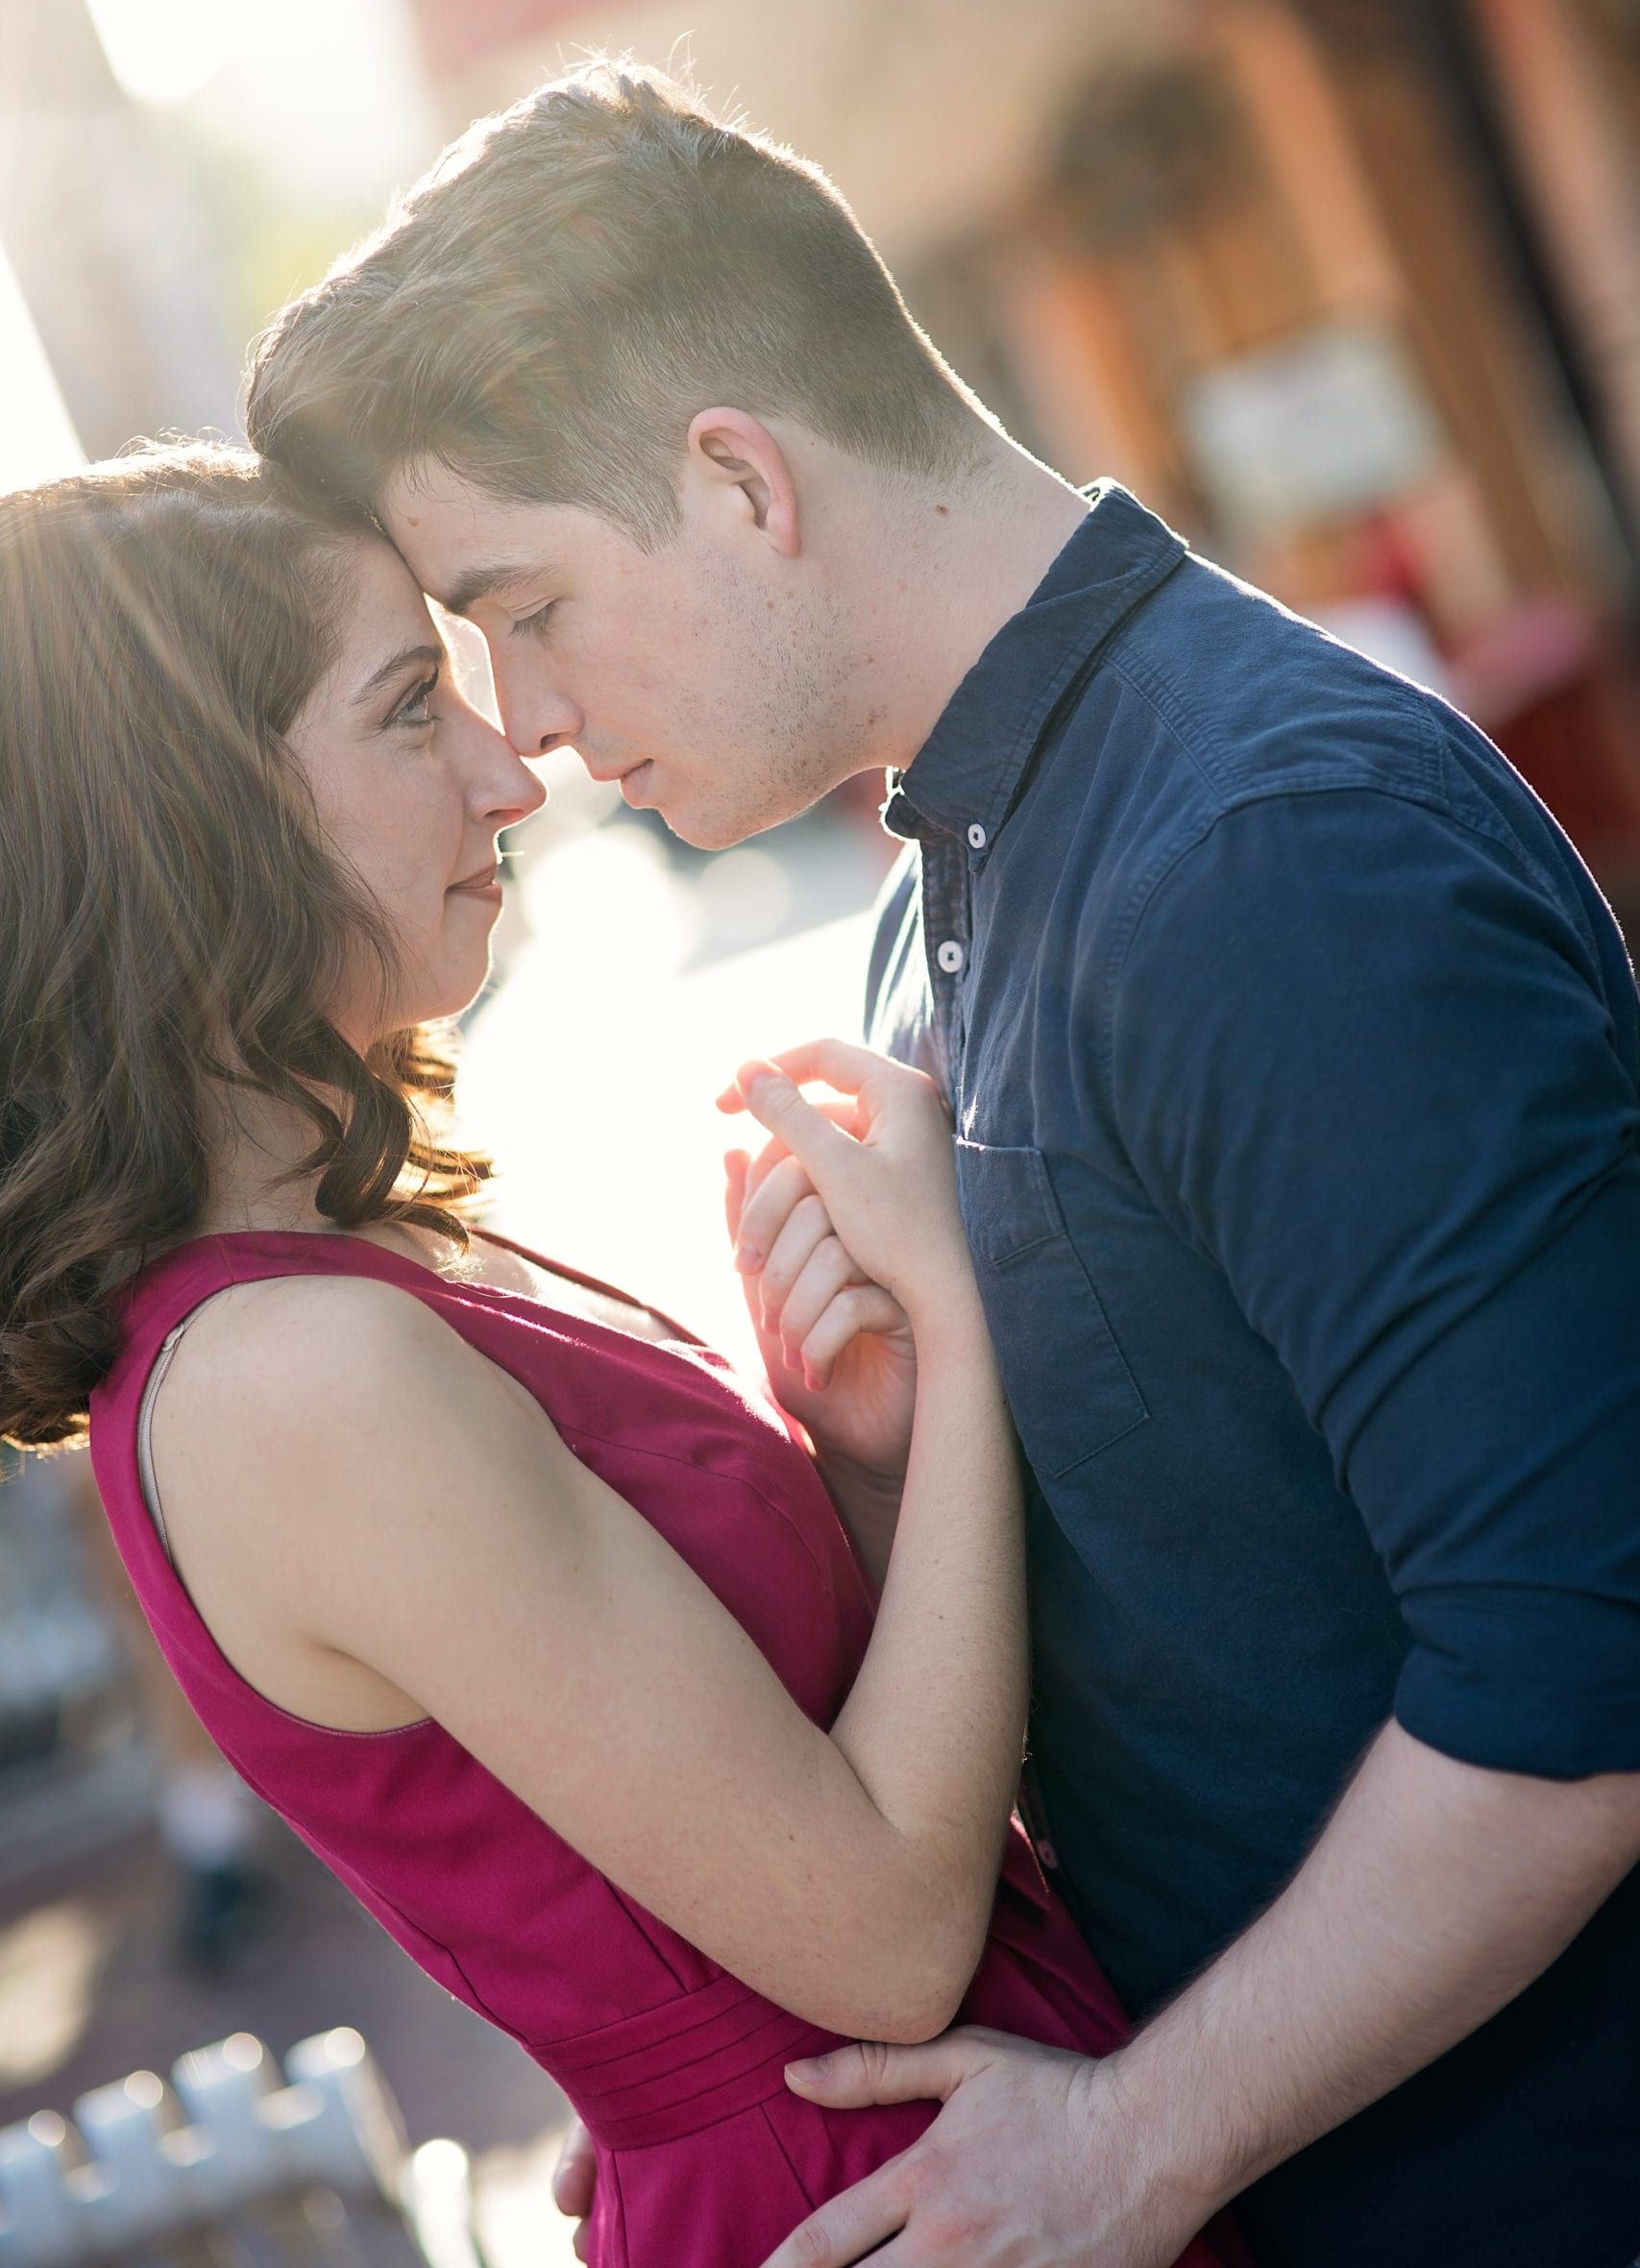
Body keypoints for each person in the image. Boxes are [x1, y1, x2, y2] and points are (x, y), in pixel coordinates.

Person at [245, 61, 1640, 2268]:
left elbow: (1578, 1687)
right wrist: (888, 1454)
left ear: (735, 481)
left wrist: (1128, 2143)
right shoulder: (952, 875)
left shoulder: (1264, 853)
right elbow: (1201, 1601)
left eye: (520, 603)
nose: (521, 717)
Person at [0, 448, 1245, 2268]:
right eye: (412, 708)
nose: (512, 773)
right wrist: (968, 1339)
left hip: (945, 2153)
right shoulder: (294, 1378)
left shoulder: (356, 1265)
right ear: (184, 821)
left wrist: (881, 1465)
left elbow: (839, 1779)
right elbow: (888, 1932)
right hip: (873, 2194)